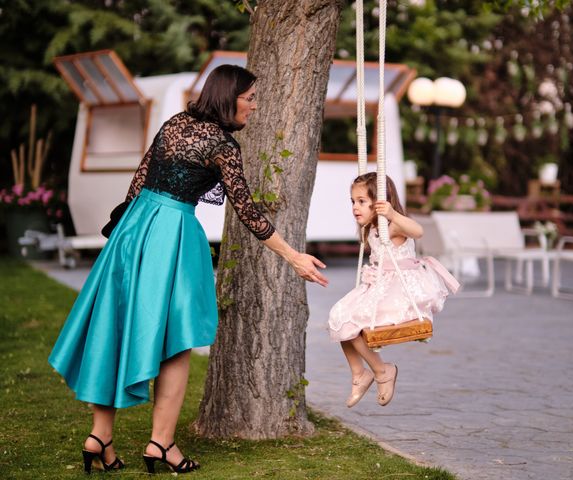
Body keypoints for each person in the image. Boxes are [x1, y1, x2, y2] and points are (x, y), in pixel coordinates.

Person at [48, 64, 328, 475]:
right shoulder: (222, 145)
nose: (254, 105)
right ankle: (161, 445)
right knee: (176, 341)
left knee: (115, 326)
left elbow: (140, 180)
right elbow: (248, 212)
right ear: (228, 96)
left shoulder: (175, 123)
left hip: (134, 226)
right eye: (250, 98)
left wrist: (123, 234)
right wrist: (293, 256)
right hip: (172, 234)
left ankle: (100, 436)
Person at [328, 172, 458, 408]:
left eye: (361, 201)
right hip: (379, 286)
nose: (355, 207)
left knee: (354, 321)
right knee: (339, 315)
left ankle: (382, 371)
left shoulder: (393, 224)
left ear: (379, 203)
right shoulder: (371, 228)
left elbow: (418, 231)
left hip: (401, 290)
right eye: (353, 201)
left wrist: (392, 213)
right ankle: (360, 374)